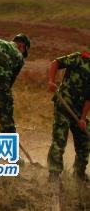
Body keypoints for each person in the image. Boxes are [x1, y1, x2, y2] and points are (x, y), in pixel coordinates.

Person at [47, 52, 90, 182]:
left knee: (85, 140)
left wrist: (82, 119)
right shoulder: (80, 59)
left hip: (77, 111)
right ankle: (54, 174)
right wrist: (51, 81)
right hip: (64, 105)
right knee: (60, 139)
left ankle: (79, 173)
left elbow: (89, 98)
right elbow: (56, 62)